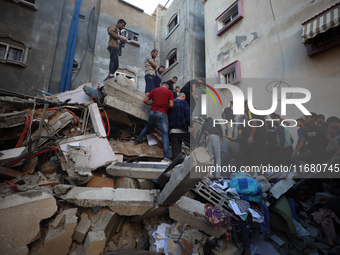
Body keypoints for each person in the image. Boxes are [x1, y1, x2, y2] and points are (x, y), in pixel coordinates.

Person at [134, 82, 174, 162]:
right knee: (165, 134)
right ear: (168, 87)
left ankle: (137, 140)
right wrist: (166, 105)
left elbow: (145, 100)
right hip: (162, 113)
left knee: (149, 126)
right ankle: (166, 156)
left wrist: (152, 104)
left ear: (161, 85)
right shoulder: (169, 92)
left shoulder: (155, 90)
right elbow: (172, 105)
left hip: (152, 112)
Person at [168, 93, 194, 160]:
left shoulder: (171, 103)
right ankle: (200, 160)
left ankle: (175, 166)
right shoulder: (184, 102)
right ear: (182, 96)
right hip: (182, 129)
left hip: (173, 131)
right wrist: (191, 126)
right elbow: (187, 115)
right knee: (194, 144)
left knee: (175, 150)